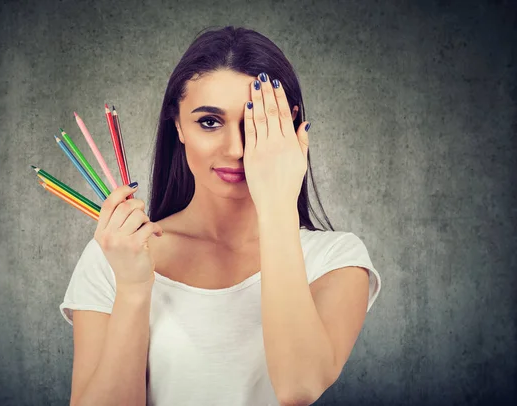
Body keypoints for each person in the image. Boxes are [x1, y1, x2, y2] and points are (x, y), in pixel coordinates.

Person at [59, 25, 382, 406]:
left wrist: (277, 201)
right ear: (178, 125)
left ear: (291, 126)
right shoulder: (115, 254)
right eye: (209, 122)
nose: (234, 149)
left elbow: (299, 386)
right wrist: (132, 289)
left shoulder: (336, 260)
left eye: (254, 124)